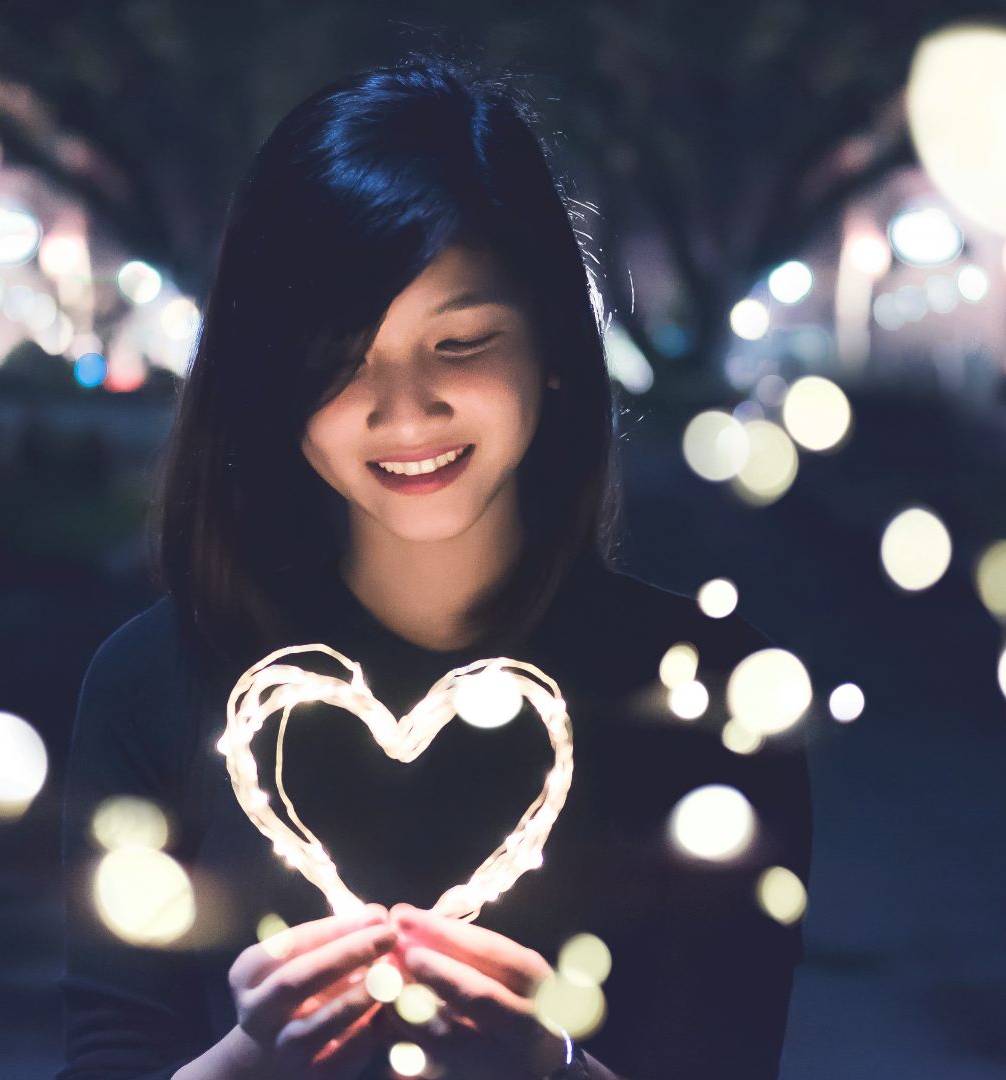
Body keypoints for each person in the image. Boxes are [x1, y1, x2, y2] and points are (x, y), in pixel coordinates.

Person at [57, 51, 813, 1080]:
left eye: (460, 342)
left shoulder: (704, 693)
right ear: (268, 376)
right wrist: (253, 1060)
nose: (403, 409)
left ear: (552, 344)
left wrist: (548, 1067)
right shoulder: (156, 684)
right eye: (339, 357)